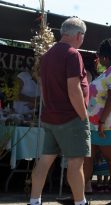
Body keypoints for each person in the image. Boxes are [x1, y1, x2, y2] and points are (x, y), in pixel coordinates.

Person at [29, 17, 90, 205]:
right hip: (71, 118)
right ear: (79, 35)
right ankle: (81, 202)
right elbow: (74, 88)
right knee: (75, 164)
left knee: (44, 161)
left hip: (51, 118)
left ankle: (34, 201)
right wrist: (83, 116)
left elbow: (44, 90)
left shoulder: (47, 55)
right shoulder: (72, 54)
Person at [83, 38, 111, 205]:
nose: (98, 59)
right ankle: (79, 197)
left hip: (107, 125)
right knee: (88, 158)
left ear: (105, 57)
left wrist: (101, 121)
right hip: (98, 124)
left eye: (100, 56)